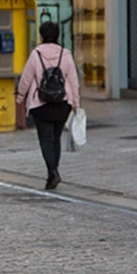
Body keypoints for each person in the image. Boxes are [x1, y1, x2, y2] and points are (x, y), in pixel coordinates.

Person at [15, 21, 81, 190]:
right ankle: (53, 171)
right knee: (56, 138)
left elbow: (26, 79)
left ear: (42, 36)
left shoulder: (36, 54)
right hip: (62, 103)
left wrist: (20, 97)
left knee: (45, 139)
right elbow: (73, 81)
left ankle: (52, 172)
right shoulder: (65, 54)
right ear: (58, 35)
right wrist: (76, 103)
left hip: (41, 104)